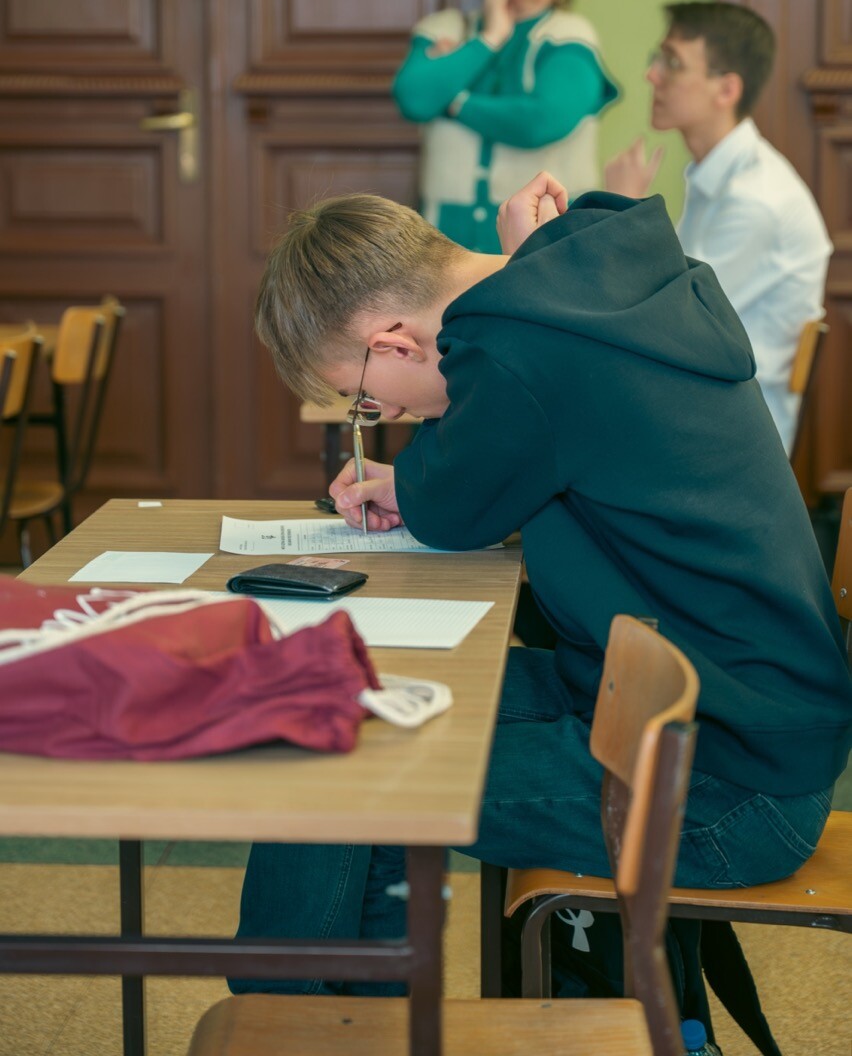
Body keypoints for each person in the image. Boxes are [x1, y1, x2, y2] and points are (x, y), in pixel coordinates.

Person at [232, 172, 851, 998]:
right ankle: (349, 1024)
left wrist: (416, 477)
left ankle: (288, 1028)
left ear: (395, 342)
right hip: (728, 716)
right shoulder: (586, 291)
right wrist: (526, 269)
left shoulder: (520, 349)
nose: (388, 418)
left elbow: (454, 512)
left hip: (722, 785)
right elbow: (482, 467)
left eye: (364, 401)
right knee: (353, 697)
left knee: (326, 766)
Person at [605, 0, 833, 454]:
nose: (652, 75)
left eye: (673, 63)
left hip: (729, 433)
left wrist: (623, 213)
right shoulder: (720, 176)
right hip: (696, 398)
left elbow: (670, 323)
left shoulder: (754, 200)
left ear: (726, 89)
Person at [392, 0, 619, 253]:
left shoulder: (571, 37)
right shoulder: (446, 27)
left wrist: (454, 101)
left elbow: (540, 121)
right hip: (444, 236)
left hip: (544, 239)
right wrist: (489, 39)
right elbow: (414, 98)